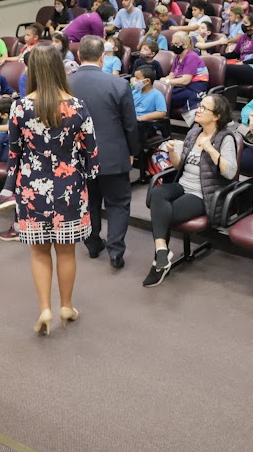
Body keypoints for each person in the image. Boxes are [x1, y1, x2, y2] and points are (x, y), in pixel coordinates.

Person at [1, 44, 99, 334]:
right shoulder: (77, 106)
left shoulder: (19, 107)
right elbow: (91, 155)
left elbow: (14, 153)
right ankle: (66, 306)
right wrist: (86, 175)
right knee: (66, 252)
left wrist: (10, 187)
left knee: (39, 253)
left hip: (31, 186)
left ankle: (45, 308)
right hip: (68, 186)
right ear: (59, 68)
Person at [144, 94, 238, 287]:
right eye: (200, 106)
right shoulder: (193, 132)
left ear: (217, 116)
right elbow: (180, 167)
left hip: (203, 193)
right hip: (182, 184)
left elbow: (230, 172)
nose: (198, 110)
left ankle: (159, 264)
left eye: (204, 108)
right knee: (157, 194)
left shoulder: (225, 138)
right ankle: (162, 250)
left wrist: (211, 149)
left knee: (163, 212)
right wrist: (171, 152)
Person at [68, 36, 139, 269]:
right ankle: (116, 251)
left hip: (77, 155)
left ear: (79, 56)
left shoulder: (65, 84)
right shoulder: (118, 84)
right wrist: (133, 151)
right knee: (118, 203)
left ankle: (92, 244)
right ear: (102, 57)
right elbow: (130, 124)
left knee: (88, 201)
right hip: (113, 153)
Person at [162, 31, 209, 111]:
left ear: (186, 44)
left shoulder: (191, 57)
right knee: (159, 93)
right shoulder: (177, 57)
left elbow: (185, 80)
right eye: (172, 44)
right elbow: (171, 75)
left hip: (194, 88)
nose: (174, 46)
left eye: (176, 44)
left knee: (165, 97)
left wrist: (166, 81)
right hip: (182, 87)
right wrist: (161, 82)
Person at [223, 13, 253, 87]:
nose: (243, 25)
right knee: (229, 79)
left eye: (245, 23)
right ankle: (228, 97)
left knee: (225, 68)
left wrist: (244, 63)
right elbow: (235, 54)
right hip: (243, 66)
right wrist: (220, 55)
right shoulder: (243, 37)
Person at [132, 65, 169, 145]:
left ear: (147, 81)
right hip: (132, 122)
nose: (135, 80)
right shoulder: (134, 92)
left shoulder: (157, 95)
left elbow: (162, 112)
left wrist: (142, 117)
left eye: (137, 78)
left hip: (146, 126)